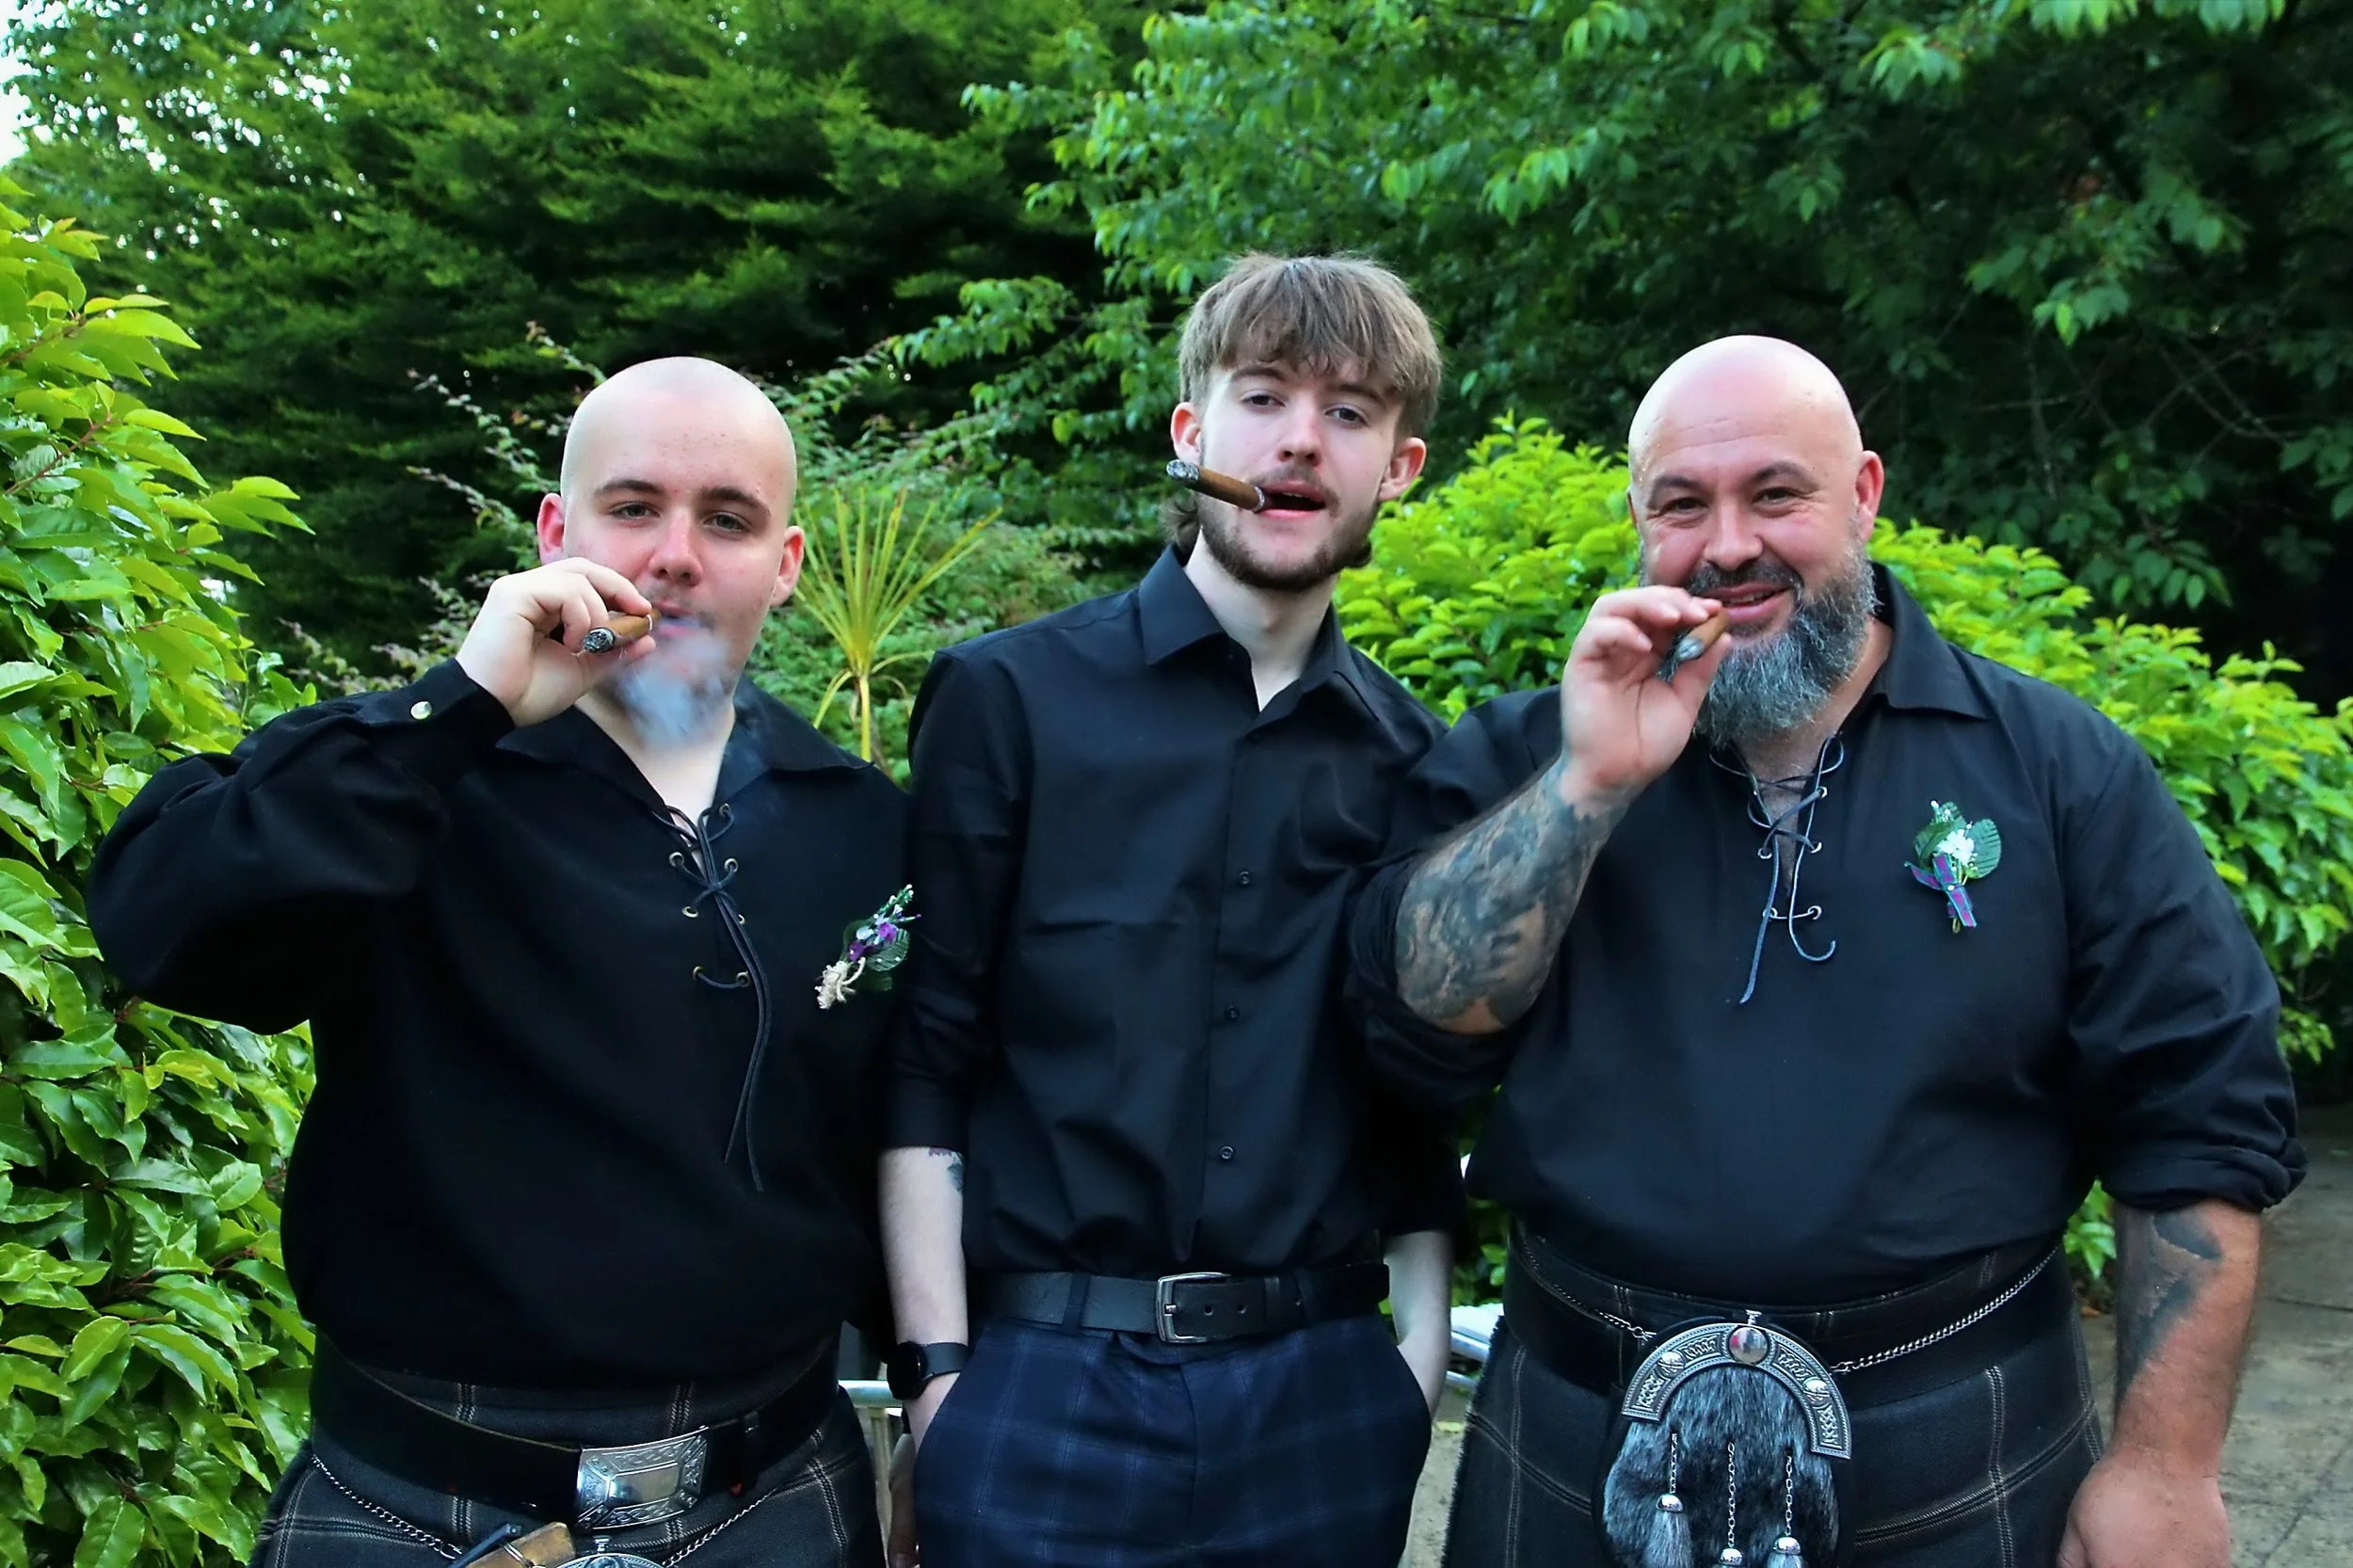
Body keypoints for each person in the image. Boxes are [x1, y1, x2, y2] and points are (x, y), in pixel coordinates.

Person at [1345, 336, 2304, 1568]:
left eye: (1776, 493)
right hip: (1583, 1437)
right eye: (1683, 504)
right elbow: (1417, 1022)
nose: (1729, 542)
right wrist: (1588, 786)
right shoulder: (1531, 755)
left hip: (1957, 1444)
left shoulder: (2060, 772)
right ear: (1638, 522)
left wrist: (2166, 1465)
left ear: (1863, 494)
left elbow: (2200, 1114)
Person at [88, 359, 904, 1568]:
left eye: (725, 519)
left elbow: (904, 1137)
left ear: (781, 566)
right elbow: (164, 923)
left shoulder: (860, 824)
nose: (674, 554)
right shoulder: (400, 776)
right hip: (413, 1505)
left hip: (773, 1497)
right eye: (634, 508)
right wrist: (462, 704)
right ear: (555, 533)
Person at [881, 253, 1464, 1568]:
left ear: (1401, 469)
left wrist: (1409, 1379)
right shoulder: (1007, 700)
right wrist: (939, 1386)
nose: (1303, 438)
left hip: (1325, 1396)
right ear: (1192, 433)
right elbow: (929, 1053)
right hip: (1039, 1387)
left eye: (1353, 412)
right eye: (1263, 397)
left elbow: (1419, 1098)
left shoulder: (1416, 759)